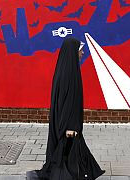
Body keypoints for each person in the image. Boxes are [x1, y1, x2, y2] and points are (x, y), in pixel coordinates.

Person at [26, 37, 105, 179]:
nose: (83, 54)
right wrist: (71, 126)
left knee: (70, 151)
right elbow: (69, 102)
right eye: (81, 51)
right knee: (67, 151)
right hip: (68, 123)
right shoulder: (70, 74)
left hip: (63, 121)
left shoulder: (64, 69)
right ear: (73, 52)